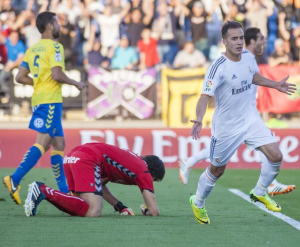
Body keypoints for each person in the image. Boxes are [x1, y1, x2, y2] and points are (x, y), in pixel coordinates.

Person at [188, 21, 296, 224]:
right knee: (217, 170)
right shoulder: (217, 67)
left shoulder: (247, 57)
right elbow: (204, 96)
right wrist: (200, 118)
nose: (239, 42)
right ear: (224, 41)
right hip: (226, 127)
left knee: (276, 156)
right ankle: (199, 202)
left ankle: (260, 191)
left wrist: (275, 85)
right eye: (234, 39)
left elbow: (252, 76)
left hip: (249, 119)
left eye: (241, 38)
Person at [3, 11, 85, 205]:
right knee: (43, 143)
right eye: (56, 22)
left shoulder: (32, 49)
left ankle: (65, 192)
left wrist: (38, 83)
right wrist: (75, 82)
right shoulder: (55, 47)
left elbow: (20, 77)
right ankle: (14, 179)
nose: (59, 26)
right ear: (49, 26)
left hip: (42, 99)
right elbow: (57, 74)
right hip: (50, 101)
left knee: (59, 144)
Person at [24, 143, 165, 218]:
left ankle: (42, 192)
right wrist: (147, 210)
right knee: (94, 211)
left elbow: (100, 185)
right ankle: (42, 190)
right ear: (152, 172)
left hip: (73, 156)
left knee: (81, 208)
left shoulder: (131, 163)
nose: (151, 182)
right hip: (87, 159)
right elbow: (154, 212)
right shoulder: (143, 171)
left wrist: (120, 207)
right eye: (155, 180)